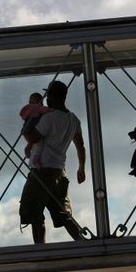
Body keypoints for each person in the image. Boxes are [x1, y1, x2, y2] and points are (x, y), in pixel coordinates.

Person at [18, 80, 87, 243]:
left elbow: (32, 137)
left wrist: (29, 121)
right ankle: (82, 243)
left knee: (34, 212)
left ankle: (40, 250)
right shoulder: (73, 120)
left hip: (41, 171)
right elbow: (80, 145)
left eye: (48, 94)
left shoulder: (49, 118)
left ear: (52, 97)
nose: (46, 98)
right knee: (63, 213)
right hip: (59, 171)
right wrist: (81, 167)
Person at [19, 92, 49, 164]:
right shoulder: (38, 108)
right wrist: (51, 110)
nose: (30, 103)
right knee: (39, 142)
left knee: (34, 142)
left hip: (27, 126)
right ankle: (36, 157)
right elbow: (45, 110)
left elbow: (22, 114)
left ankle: (28, 148)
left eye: (31, 102)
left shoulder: (28, 108)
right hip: (33, 125)